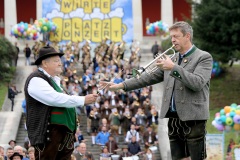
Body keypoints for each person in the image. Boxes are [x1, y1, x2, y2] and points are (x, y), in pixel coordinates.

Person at [99, 21, 213, 160]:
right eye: (171, 37)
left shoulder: (203, 57)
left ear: (187, 36)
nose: (172, 40)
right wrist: (121, 85)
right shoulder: (172, 59)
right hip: (173, 118)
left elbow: (197, 83)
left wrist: (173, 68)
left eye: (176, 36)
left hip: (194, 118)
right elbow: (147, 78)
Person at [24, 46, 98, 160]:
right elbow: (55, 99)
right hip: (49, 135)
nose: (60, 63)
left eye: (60, 60)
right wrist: (82, 100)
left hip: (64, 136)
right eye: (56, 61)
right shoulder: (35, 79)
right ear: (44, 63)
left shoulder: (55, 81)